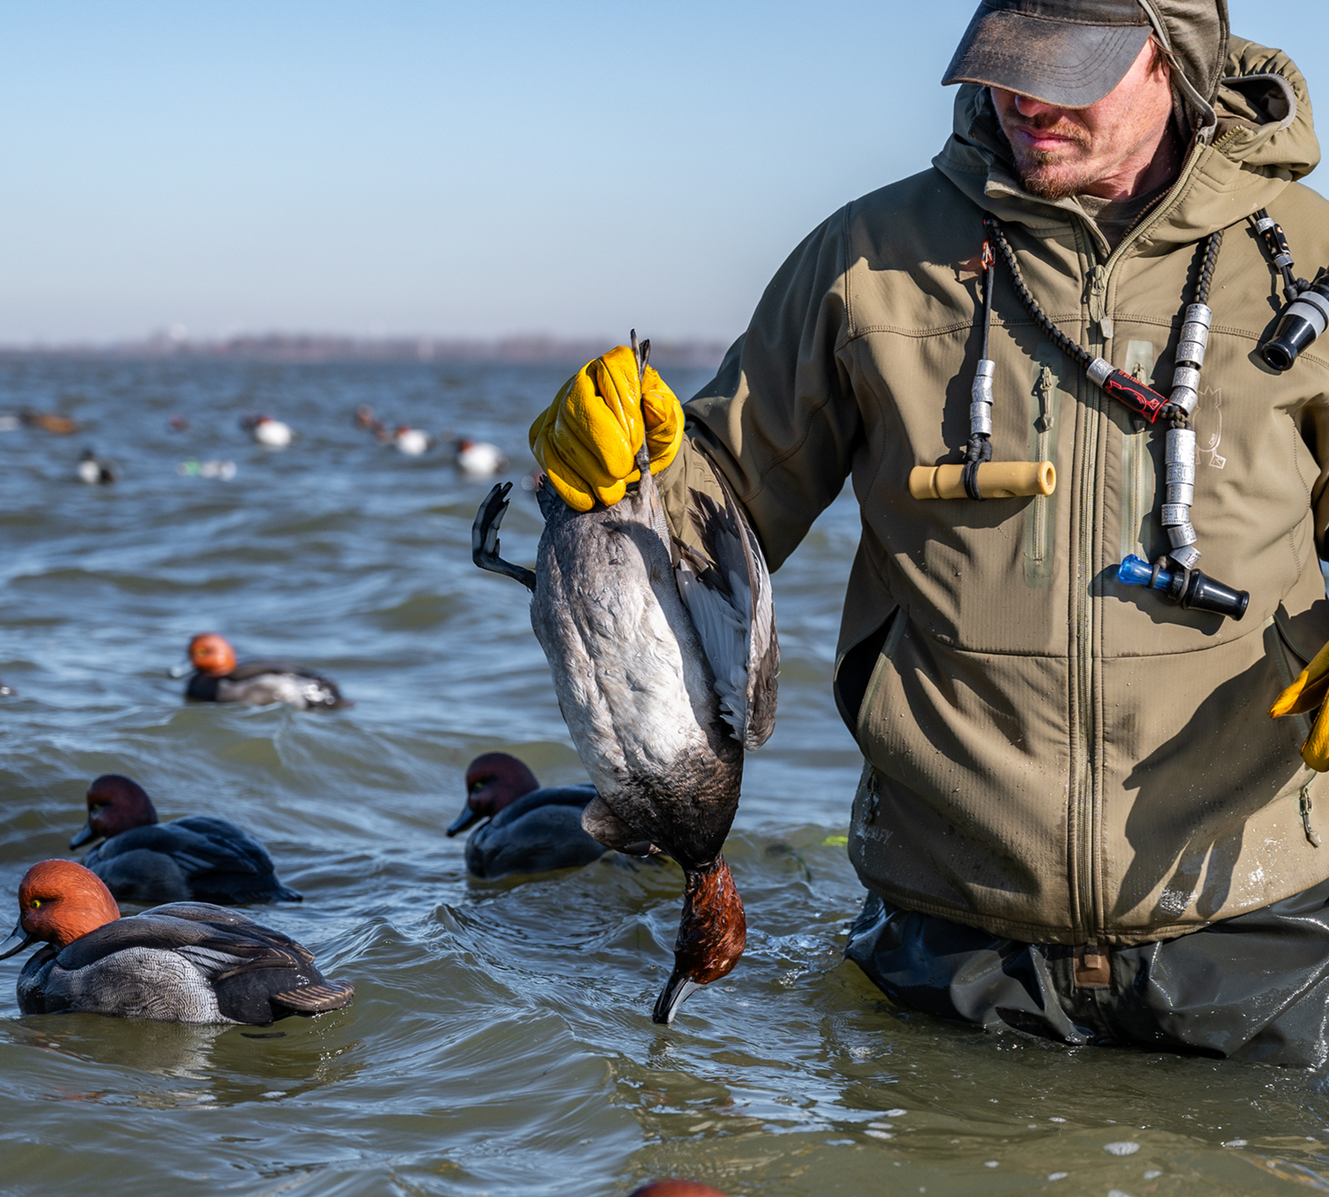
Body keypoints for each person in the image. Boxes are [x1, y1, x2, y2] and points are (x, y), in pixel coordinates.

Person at [527, 0, 1329, 1069]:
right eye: (1005, 64)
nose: (1022, 99)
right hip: (943, 934)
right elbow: (712, 517)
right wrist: (615, 477)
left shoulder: (1308, 255)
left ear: (1169, 54)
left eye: (1067, 70)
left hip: (1260, 922)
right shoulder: (864, 258)